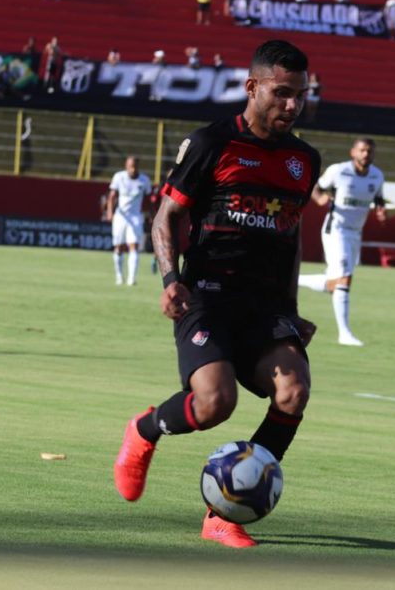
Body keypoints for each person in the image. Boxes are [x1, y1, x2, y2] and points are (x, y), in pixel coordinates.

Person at [113, 40, 322, 549]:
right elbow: (167, 215)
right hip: (206, 295)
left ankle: (222, 513)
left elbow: (290, 237)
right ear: (252, 88)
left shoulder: (304, 159)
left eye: (301, 96)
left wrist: (292, 314)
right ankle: (144, 430)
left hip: (266, 306)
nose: (292, 106)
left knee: (294, 390)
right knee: (214, 404)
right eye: (282, 93)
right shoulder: (211, 144)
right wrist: (170, 280)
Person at [298, 138, 385, 346]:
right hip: (336, 230)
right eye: (362, 150)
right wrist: (319, 199)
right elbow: (314, 186)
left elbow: (378, 198)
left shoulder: (377, 175)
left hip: (355, 233)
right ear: (353, 152)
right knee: (344, 280)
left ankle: (295, 280)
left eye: (370, 151)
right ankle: (344, 334)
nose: (366, 154)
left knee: (335, 284)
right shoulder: (339, 171)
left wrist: (381, 209)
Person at [105, 156, 153, 286]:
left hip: (136, 216)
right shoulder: (119, 177)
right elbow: (112, 196)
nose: (133, 169)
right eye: (130, 166)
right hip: (121, 216)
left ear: (138, 166)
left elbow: (148, 200)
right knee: (119, 247)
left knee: (134, 246)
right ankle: (119, 276)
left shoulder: (144, 180)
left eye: (135, 166)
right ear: (126, 166)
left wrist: (151, 215)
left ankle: (132, 278)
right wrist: (110, 212)